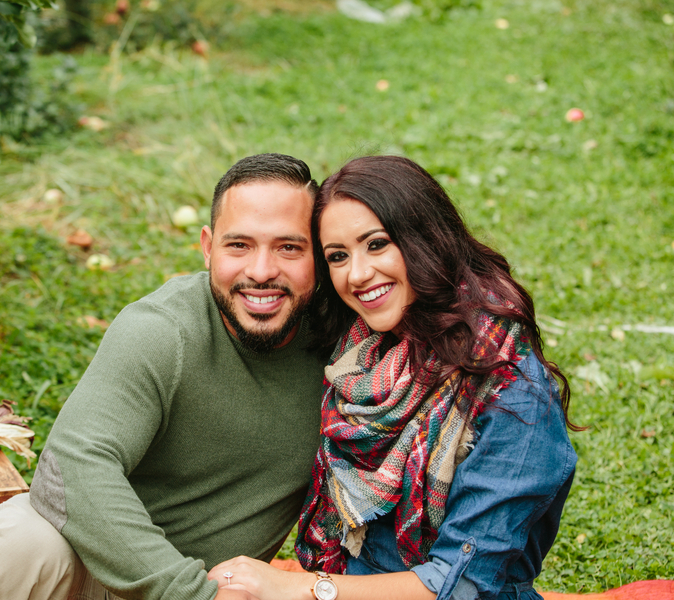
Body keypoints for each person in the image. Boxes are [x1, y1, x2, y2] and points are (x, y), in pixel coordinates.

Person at [0, 153, 327, 600]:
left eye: (289, 247)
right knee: (23, 537)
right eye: (239, 246)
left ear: (319, 252)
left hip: (224, 587)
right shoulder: (162, 330)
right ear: (207, 246)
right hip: (92, 573)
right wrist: (194, 594)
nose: (261, 272)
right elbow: (73, 464)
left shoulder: (354, 352)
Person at [208, 155, 579, 600]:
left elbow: (464, 585)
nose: (358, 275)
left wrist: (302, 587)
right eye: (338, 256)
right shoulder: (360, 352)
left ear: (426, 239)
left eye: (377, 244)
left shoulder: (511, 395)